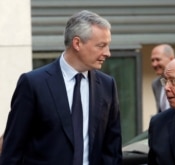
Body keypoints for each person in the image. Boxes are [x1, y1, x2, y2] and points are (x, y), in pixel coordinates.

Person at [0, 10, 122, 165]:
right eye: (101, 46)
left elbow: (112, 147)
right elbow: (12, 149)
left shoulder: (107, 85)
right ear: (77, 43)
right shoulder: (33, 83)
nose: (108, 53)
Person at [151, 44, 175, 113]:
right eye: (152, 60)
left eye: (158, 59)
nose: (154, 64)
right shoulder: (156, 84)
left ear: (171, 59)